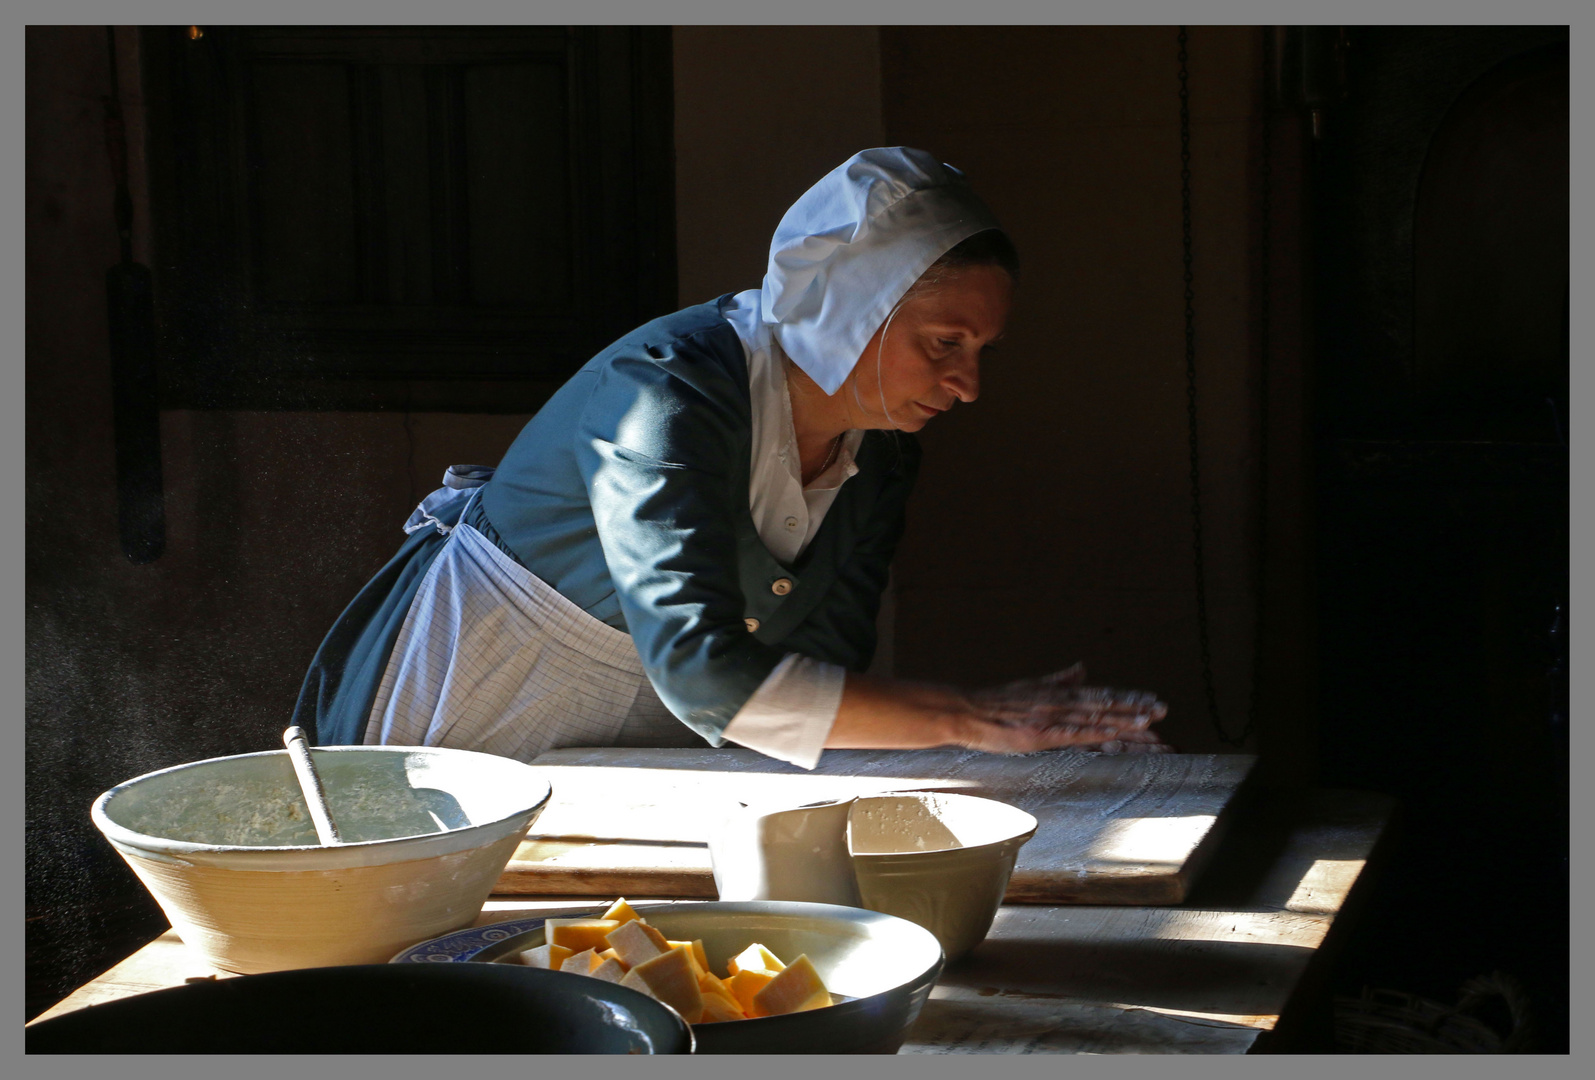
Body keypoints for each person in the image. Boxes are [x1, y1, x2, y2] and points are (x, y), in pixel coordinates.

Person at [294, 147, 1169, 767]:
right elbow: (705, 669)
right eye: (945, 340)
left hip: (640, 737)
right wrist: (965, 718)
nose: (967, 383)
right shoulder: (665, 395)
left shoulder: (879, 461)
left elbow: (818, 675)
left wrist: (958, 729)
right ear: (849, 308)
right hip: (475, 701)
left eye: (982, 349)